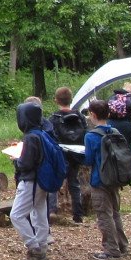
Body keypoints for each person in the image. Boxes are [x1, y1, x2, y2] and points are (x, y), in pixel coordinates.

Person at [84, 99, 130, 260]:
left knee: (104, 214)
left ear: (92, 115)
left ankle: (111, 249)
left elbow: (88, 160)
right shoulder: (115, 132)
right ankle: (122, 245)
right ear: (109, 114)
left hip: (99, 179)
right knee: (115, 213)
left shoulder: (91, 136)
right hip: (115, 178)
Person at [10, 101, 52, 260]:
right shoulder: (42, 132)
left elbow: (26, 164)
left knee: (16, 215)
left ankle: (35, 249)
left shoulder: (31, 137)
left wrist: (16, 159)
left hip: (31, 181)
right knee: (39, 213)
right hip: (41, 181)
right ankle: (42, 247)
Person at [49, 87, 87, 223]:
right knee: (74, 184)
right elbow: (85, 133)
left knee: (54, 183)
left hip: (60, 155)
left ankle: (52, 211)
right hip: (76, 155)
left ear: (56, 100)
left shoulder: (54, 118)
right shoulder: (80, 116)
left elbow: (50, 137)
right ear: (71, 100)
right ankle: (78, 214)